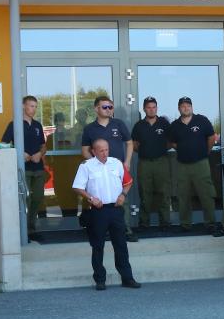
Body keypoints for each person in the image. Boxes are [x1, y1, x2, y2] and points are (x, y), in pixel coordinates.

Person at [71, 138, 141, 291]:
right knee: (98, 246)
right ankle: (100, 280)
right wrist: (90, 198)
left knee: (121, 245)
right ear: (93, 151)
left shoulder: (116, 163)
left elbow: (128, 181)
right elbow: (77, 187)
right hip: (98, 211)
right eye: (101, 150)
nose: (104, 153)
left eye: (106, 150)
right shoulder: (86, 166)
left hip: (116, 209)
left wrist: (123, 195)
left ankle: (127, 278)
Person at [81, 96, 135, 241]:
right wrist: (95, 165)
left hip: (117, 170)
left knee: (122, 199)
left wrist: (127, 162)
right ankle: (103, 231)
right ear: (96, 109)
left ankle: (125, 230)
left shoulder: (119, 124)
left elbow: (129, 143)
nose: (108, 110)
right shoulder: (89, 129)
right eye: (105, 107)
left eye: (110, 107)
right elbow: (85, 150)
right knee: (101, 200)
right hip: (99, 172)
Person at [168, 97, 222, 235]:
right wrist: (182, 148)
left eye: (188, 105)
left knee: (206, 194)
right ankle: (185, 224)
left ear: (192, 107)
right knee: (183, 195)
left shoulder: (202, 120)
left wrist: (206, 151)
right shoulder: (174, 125)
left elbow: (211, 137)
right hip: (182, 164)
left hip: (200, 163)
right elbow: (171, 142)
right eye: (183, 106)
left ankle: (210, 223)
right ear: (179, 108)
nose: (186, 108)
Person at [3, 96, 48, 235]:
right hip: (23, 169)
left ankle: (31, 224)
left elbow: (43, 146)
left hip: (38, 168)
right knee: (25, 198)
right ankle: (24, 229)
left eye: (35, 106)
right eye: (31, 106)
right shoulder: (14, 124)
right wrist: (19, 153)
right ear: (23, 106)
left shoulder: (37, 125)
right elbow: (4, 144)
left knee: (38, 197)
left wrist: (40, 154)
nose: (33, 109)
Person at [130, 97, 172, 230]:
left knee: (163, 192)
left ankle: (165, 222)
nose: (152, 110)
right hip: (145, 163)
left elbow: (171, 142)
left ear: (157, 108)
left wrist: (159, 149)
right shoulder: (139, 125)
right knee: (145, 193)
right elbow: (134, 145)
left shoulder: (164, 123)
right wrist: (146, 150)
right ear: (144, 109)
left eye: (154, 107)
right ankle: (144, 223)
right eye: (149, 107)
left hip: (161, 162)